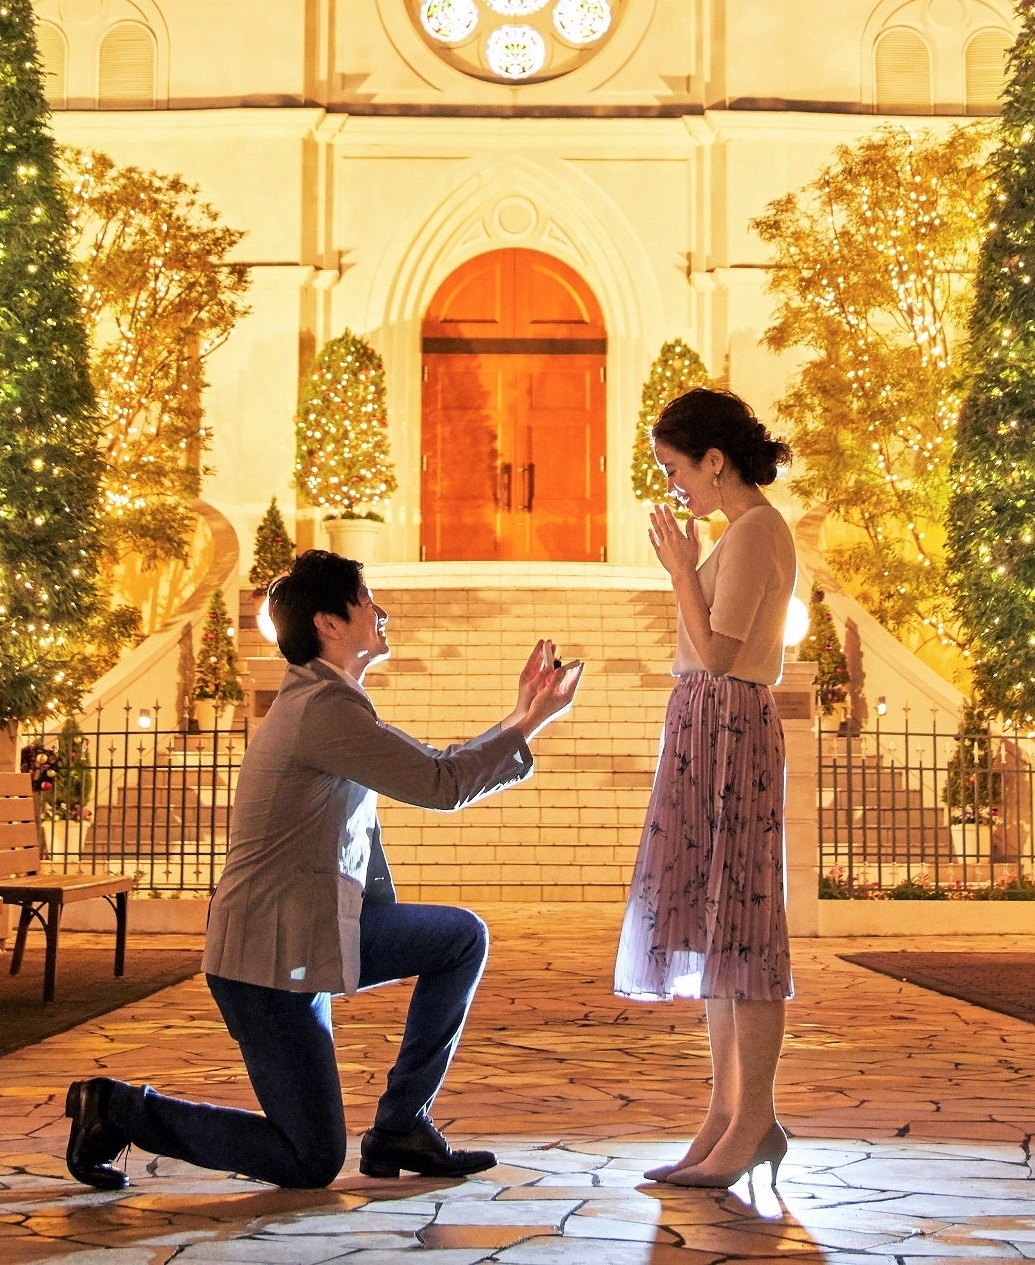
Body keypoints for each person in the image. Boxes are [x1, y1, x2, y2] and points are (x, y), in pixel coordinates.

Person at [64, 550, 582, 1189]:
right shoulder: (322, 710)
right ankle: (118, 1110)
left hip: (313, 934)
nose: (380, 611)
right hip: (266, 957)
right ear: (329, 623)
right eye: (365, 600)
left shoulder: (330, 701)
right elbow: (442, 783)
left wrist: (524, 715)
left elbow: (436, 768)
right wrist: (535, 720)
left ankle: (401, 1126)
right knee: (308, 1159)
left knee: (458, 939)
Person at [622, 386, 801, 1200]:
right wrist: (687, 571)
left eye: (675, 469)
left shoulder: (758, 530)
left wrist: (680, 573)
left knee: (745, 927)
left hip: (730, 726)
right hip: (707, 726)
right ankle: (726, 1117)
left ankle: (752, 1118)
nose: (672, 486)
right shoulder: (740, 534)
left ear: (715, 461)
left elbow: (721, 652)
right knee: (719, 931)